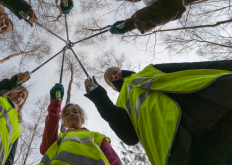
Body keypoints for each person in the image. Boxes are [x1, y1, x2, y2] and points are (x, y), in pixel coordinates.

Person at [84, 60, 232, 165]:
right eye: (111, 79)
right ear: (114, 88)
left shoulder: (149, 70)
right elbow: (130, 138)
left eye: (115, 72)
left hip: (215, 107)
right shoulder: (120, 104)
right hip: (177, 149)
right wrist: (99, 98)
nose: (115, 76)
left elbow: (193, 68)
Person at [39, 83, 122, 165]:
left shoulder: (96, 136)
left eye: (75, 112)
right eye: (67, 114)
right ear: (64, 123)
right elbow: (45, 148)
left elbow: (113, 159)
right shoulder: (59, 138)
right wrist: (55, 105)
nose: (71, 114)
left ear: (82, 119)